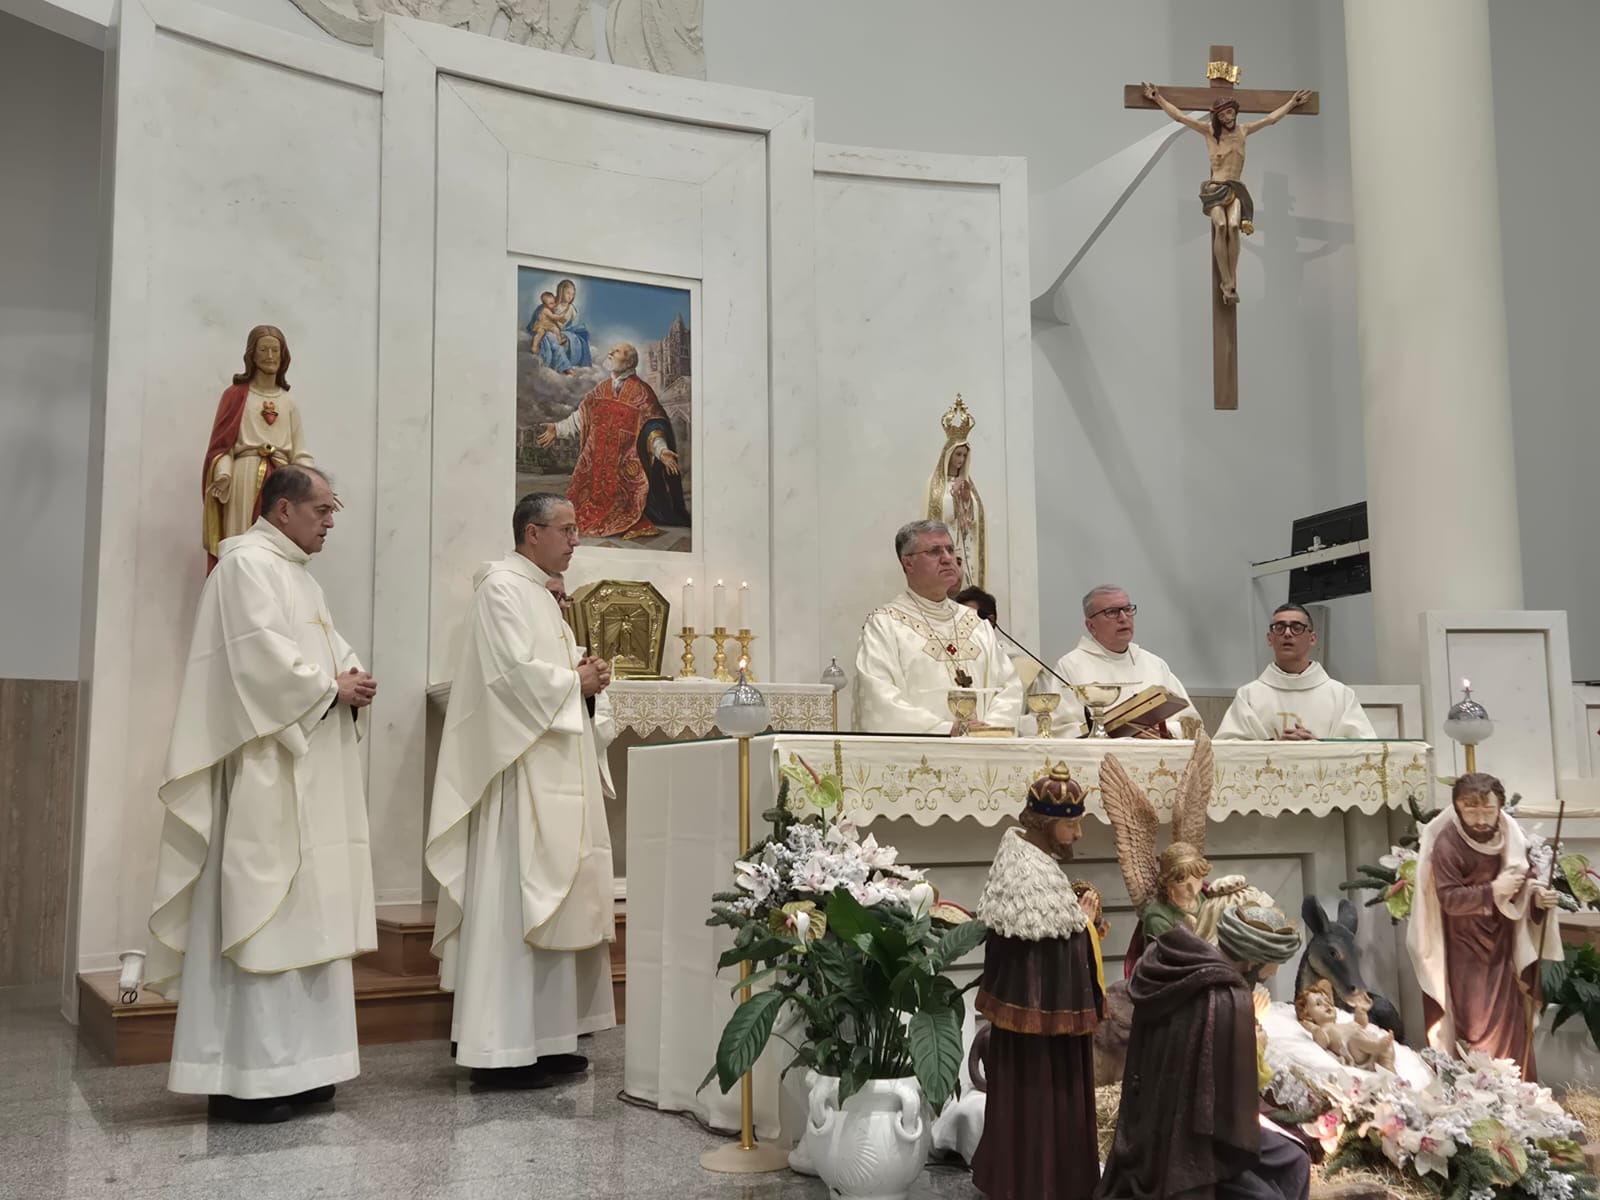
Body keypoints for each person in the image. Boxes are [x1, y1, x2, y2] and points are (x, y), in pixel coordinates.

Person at [148, 464, 377, 1123]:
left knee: (308, 916)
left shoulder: (300, 576)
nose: (330, 522)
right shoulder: (245, 567)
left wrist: (351, 678)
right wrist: (331, 687)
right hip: (265, 773)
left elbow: (332, 653)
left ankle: (304, 1067)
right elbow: (259, 664)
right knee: (264, 913)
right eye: (322, 510)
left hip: (309, 771)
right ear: (282, 510)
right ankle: (247, 1077)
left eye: (333, 510)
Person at [427, 493, 618, 1088]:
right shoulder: (502, 589)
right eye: (567, 529)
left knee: (558, 900)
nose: (576, 540)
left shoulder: (541, 594)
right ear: (532, 532)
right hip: (519, 774)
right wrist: (573, 681)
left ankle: (549, 1038)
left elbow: (555, 677)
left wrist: (588, 682)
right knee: (517, 900)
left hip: (555, 766)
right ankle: (501, 1048)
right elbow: (509, 678)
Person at [1098, 906, 1310, 1200]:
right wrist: (1256, 1046)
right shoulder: (1226, 998)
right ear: (1252, 959)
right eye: (1274, 962)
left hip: (1167, 1122)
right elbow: (1231, 1109)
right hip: (1193, 1144)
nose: (1274, 971)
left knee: (1294, 1159)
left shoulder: (1180, 966)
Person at [972, 768, 1104, 1200]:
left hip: (1029, 1021)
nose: (1078, 834)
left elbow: (1047, 938)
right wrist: (1084, 923)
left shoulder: (1025, 860)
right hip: (1043, 1033)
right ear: (1047, 824)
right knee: (1043, 1102)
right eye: (1071, 825)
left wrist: (1078, 921)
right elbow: (1054, 951)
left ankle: (1021, 1180)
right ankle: (1044, 1184)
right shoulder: (1032, 876)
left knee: (1023, 1105)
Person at [1408, 772, 1563, 1080]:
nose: (1480, 819)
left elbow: (1524, 881)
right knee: (1476, 1024)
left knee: (1511, 1022)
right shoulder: (1448, 843)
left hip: (1503, 945)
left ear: (1499, 807)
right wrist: (1493, 890)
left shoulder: (1510, 835)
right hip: (1465, 948)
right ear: (1457, 807)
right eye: (1471, 810)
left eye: (1488, 810)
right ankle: (1481, 1090)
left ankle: (1517, 1091)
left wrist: (1537, 898)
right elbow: (1449, 900)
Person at [1140, 83, 1312, 305]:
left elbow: (1270, 119)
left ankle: (1232, 279)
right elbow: (1180, 117)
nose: (1227, 118)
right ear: (1217, 118)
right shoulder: (1209, 132)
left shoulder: (1243, 131)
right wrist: (1158, 98)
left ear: (1235, 112)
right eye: (1222, 115)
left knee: (1233, 226)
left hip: (1236, 189)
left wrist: (1291, 103)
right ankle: (1227, 280)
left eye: (1230, 112)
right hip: (1215, 189)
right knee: (1221, 226)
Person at [854, 520, 1022, 734]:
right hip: (925, 751)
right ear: (908, 563)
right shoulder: (885, 625)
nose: (947, 558)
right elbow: (878, 698)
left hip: (983, 748)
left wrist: (988, 731)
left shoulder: (976, 623)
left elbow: (1008, 688)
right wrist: (944, 730)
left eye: (950, 550)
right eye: (934, 551)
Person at [537, 342, 689, 539]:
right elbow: (581, 417)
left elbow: (652, 426)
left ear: (629, 361)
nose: (609, 353)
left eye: (616, 352)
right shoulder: (601, 389)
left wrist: (661, 450)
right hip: (596, 465)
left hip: (624, 467)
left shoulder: (642, 392)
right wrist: (557, 429)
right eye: (611, 350)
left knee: (624, 505)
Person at [201, 325, 316, 572]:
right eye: (263, 350)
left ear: (283, 356)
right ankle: (238, 583)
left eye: (275, 350)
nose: (270, 356)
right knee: (242, 540)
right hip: (244, 476)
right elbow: (223, 447)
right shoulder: (235, 396)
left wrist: (316, 484)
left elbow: (300, 453)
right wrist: (223, 473)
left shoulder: (288, 402)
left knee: (278, 543)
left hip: (281, 479)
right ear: (251, 355)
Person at [1050, 585, 1197, 738]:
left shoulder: (1154, 665)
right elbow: (1060, 729)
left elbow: (1191, 721)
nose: (1123, 618)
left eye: (1127, 609)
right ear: (1091, 626)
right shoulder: (1071, 666)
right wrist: (1120, 734)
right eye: (1111, 612)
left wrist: (1165, 731)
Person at [1216, 604, 1376, 741]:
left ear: (1312, 638)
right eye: (1279, 628)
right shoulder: (1248, 696)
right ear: (1270, 638)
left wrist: (1318, 746)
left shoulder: (1341, 695)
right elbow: (1227, 748)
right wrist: (1275, 747)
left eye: (1296, 627)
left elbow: (1365, 748)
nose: (1287, 633)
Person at [546, 572, 619, 802]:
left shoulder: (570, 644)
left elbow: (603, 725)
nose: (562, 605)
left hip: (574, 764)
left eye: (564, 597)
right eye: (553, 596)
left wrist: (594, 683)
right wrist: (576, 681)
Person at [527, 278, 592, 375]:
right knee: (549, 337)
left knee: (557, 338)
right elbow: (539, 316)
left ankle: (564, 365)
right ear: (561, 292)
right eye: (568, 293)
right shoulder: (551, 304)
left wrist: (565, 333)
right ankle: (565, 367)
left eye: (572, 294)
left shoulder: (572, 309)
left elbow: (573, 326)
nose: (570, 296)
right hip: (546, 328)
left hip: (564, 332)